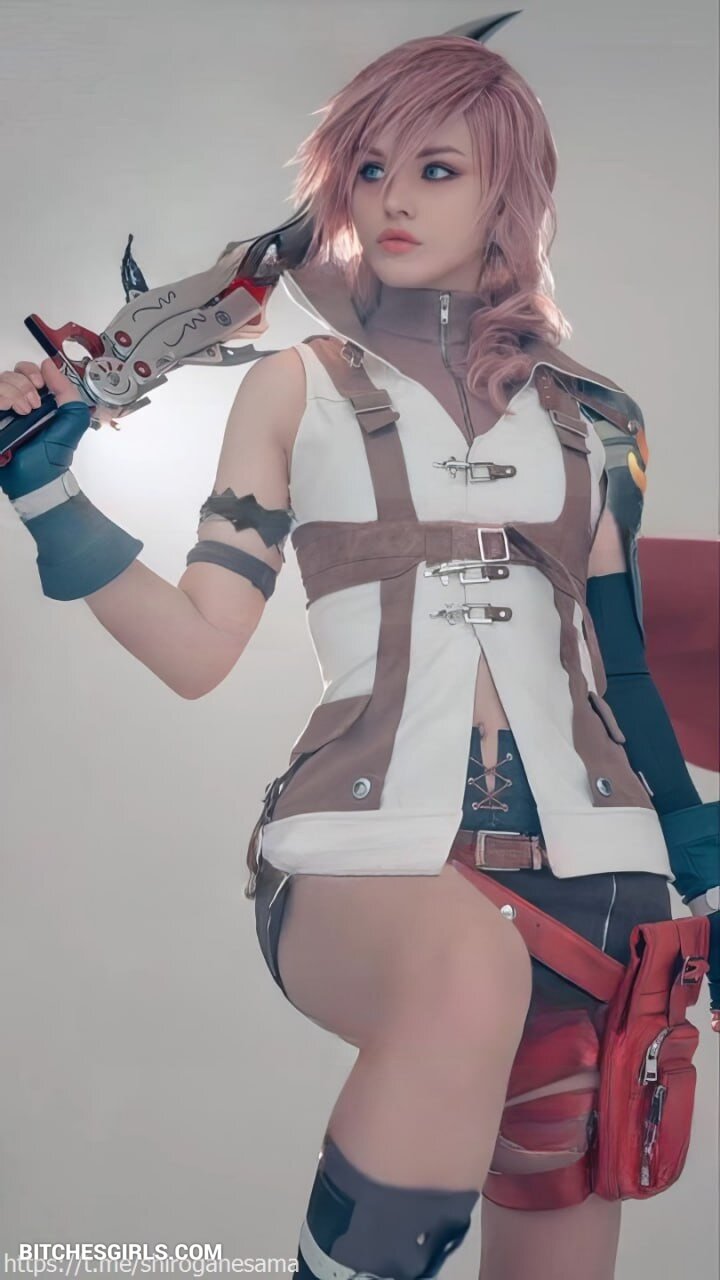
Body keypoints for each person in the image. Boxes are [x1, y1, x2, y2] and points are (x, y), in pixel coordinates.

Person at [1, 31, 716, 1280]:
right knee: (462, 974)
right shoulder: (296, 386)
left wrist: (702, 875)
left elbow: (627, 672)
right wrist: (47, 496)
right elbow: (199, 648)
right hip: (365, 841)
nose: (393, 199)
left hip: (605, 868)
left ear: (509, 192)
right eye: (371, 168)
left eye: (437, 168)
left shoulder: (596, 420)